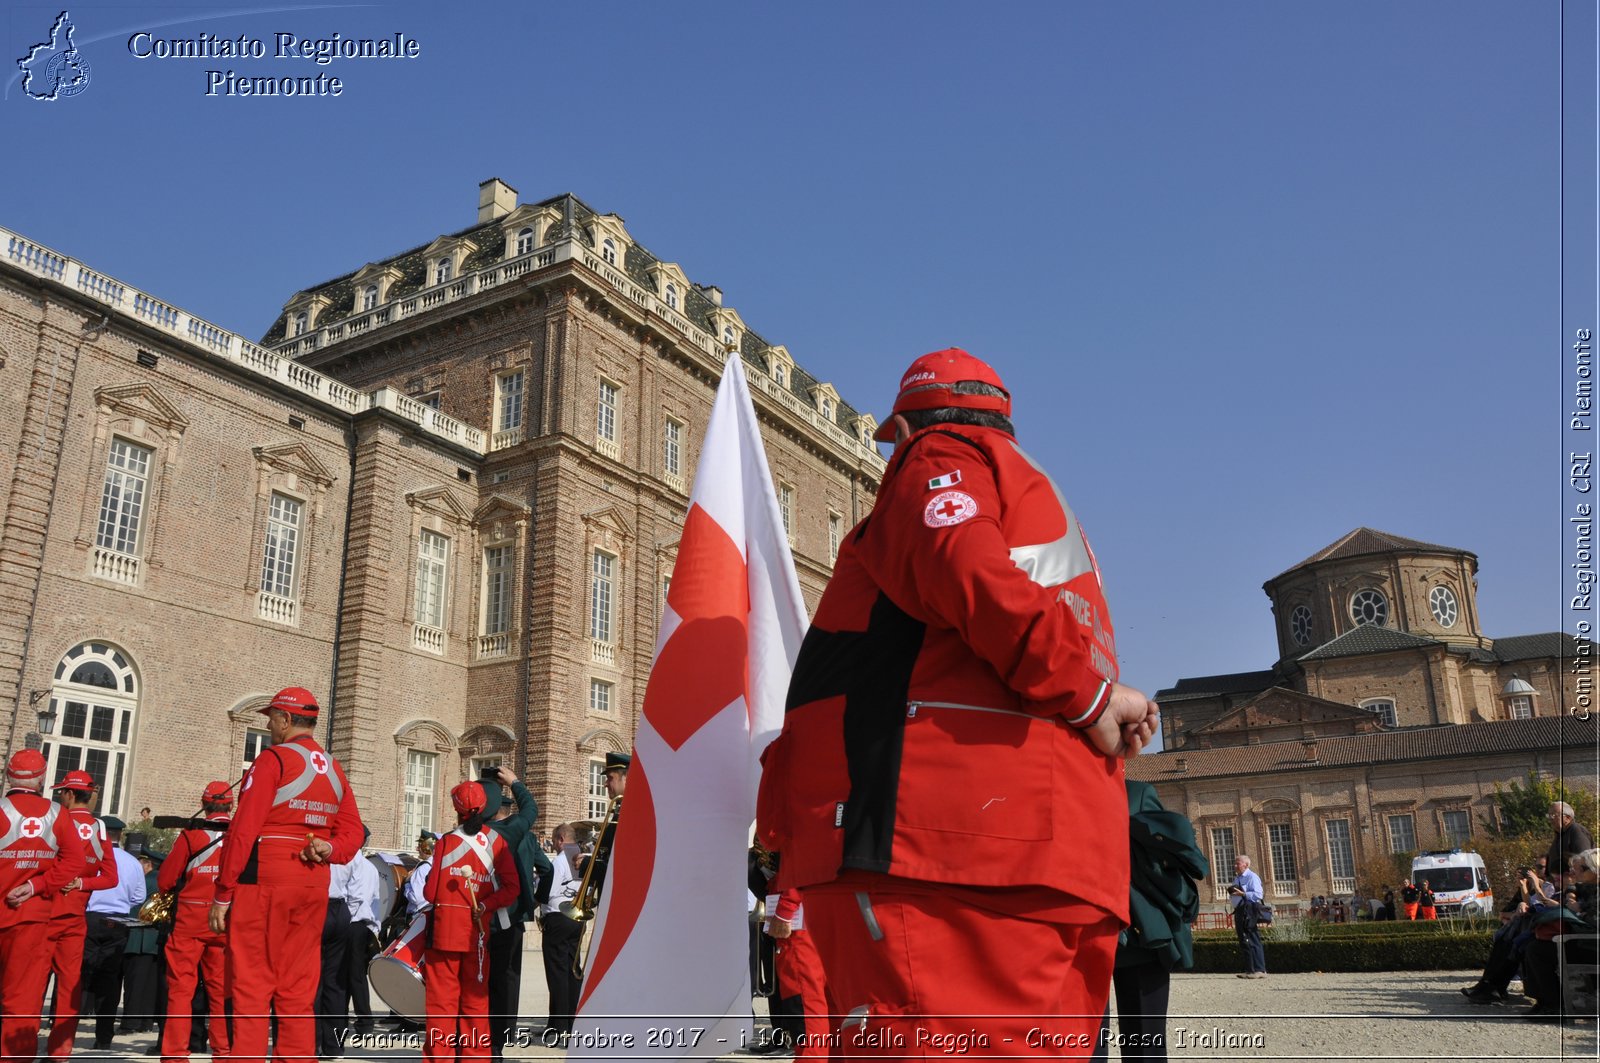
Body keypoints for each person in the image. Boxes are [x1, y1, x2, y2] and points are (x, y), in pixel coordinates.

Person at [756, 348, 1160, 1050]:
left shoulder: (939, 455)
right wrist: (1093, 692)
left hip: (942, 853)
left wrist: (1090, 696)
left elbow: (961, 563)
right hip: (1047, 854)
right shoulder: (1037, 498)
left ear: (908, 431)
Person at [210, 686, 364, 1063]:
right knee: (298, 987)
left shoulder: (273, 760)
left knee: (251, 983)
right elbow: (354, 831)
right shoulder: (333, 767)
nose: (270, 727)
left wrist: (222, 893)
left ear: (285, 719)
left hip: (264, 880)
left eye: (271, 719)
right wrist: (331, 848)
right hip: (313, 881)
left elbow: (243, 830)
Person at [1092, 780, 1207, 1063]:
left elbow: (1164, 860)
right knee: (1085, 1045)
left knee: (1146, 1045)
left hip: (1139, 935)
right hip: (1083, 937)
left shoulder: (1135, 792)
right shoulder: (1058, 788)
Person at [422, 781, 519, 1062]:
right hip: (477, 934)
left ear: (456, 810)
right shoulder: (497, 842)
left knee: (442, 1005)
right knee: (476, 1004)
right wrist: (486, 903)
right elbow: (512, 888)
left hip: (443, 933)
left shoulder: (446, 841)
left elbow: (429, 893)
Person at [0, 749, 87, 1061]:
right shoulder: (56, 814)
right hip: (32, 916)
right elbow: (75, 861)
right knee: (22, 998)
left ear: (9, 776)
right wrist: (36, 885)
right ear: (40, 780)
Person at [40, 769, 120, 1059]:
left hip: (45, 911)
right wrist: (83, 882)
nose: (60, 796)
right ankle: (61, 1051)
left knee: (31, 983)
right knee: (70, 986)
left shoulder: (55, 820)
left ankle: (18, 1044)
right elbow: (111, 878)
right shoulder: (100, 829)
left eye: (62, 792)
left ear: (71, 794)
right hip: (75, 917)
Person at [158, 781, 233, 1063]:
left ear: (204, 804)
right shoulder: (242, 835)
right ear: (231, 805)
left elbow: (166, 880)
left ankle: (175, 1055)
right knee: (221, 992)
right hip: (226, 920)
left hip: (189, 920)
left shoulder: (190, 835)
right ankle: (223, 1053)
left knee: (181, 990)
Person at [480, 766, 548, 1062]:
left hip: (474, 917)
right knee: (504, 979)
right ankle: (497, 1040)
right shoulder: (512, 830)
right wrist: (516, 782)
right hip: (507, 915)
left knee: (475, 981)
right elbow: (531, 809)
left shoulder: (460, 834)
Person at [81, 816, 145, 1049]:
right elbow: (138, 897)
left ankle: (64, 1030)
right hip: (118, 922)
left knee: (78, 975)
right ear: (121, 836)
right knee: (110, 980)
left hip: (89, 916)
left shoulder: (92, 856)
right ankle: (103, 1038)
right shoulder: (132, 862)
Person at [1519, 847, 1598, 1022]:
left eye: (1582, 869)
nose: (1576, 873)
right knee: (1532, 945)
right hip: (1583, 940)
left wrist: (1581, 911)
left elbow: (1595, 921)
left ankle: (1554, 1005)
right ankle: (1544, 1001)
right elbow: (1573, 885)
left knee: (1538, 950)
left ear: (1596, 871)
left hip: (1591, 944)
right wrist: (1571, 895)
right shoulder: (1589, 887)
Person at [538, 823, 583, 1044]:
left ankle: (558, 1025)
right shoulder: (582, 859)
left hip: (557, 917)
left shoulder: (559, 861)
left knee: (556, 972)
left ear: (559, 839)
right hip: (576, 917)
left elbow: (547, 893)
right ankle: (572, 1022)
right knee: (572, 971)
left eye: (555, 841)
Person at [120, 840, 165, 1036]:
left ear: (148, 865)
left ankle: (130, 1022)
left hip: (138, 937)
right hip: (155, 940)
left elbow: (133, 906)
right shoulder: (163, 882)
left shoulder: (146, 882)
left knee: (134, 983)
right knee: (150, 984)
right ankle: (146, 1021)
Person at [342, 841, 382, 1036]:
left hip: (350, 922)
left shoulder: (349, 864)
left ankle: (343, 1016)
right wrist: (374, 927)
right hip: (363, 925)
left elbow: (351, 898)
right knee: (356, 975)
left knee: (341, 974)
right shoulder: (371, 868)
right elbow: (376, 898)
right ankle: (364, 1020)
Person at [1228, 855, 1266, 978]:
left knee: (1253, 938)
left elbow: (1258, 894)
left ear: (1246, 865)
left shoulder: (1252, 877)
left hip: (1249, 910)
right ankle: (1250, 969)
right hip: (1239, 910)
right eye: (1235, 863)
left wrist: (1243, 893)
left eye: (1237, 863)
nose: (1235, 866)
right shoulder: (1237, 878)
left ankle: (1260, 969)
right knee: (1243, 940)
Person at [1545, 803, 1594, 889]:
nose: (1550, 819)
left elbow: (1584, 862)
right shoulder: (1560, 835)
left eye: (1553, 815)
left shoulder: (1576, 831)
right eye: (1548, 816)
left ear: (1567, 817)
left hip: (1576, 889)